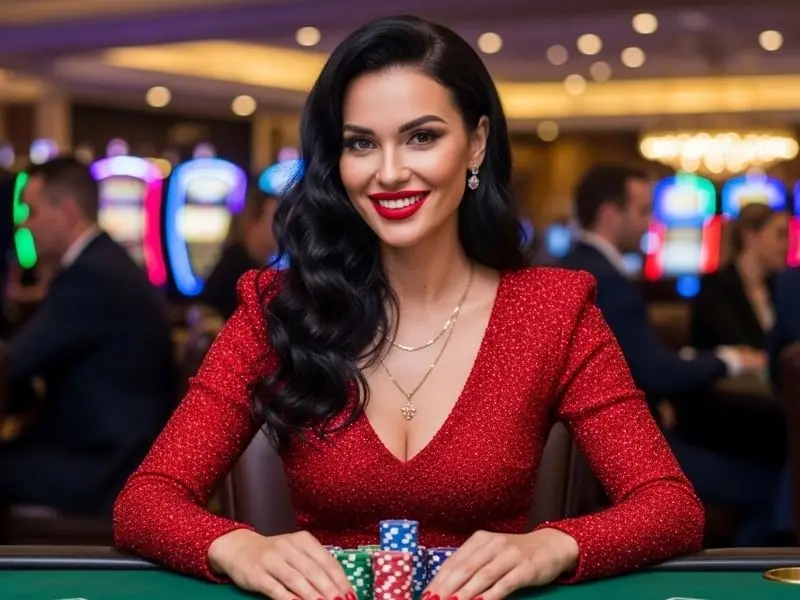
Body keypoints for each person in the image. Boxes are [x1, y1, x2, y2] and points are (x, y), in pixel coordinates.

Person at [113, 15, 704, 600]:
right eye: (361, 143)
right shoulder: (278, 310)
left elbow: (671, 506)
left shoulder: (552, 310)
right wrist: (241, 547)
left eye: (422, 136)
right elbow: (144, 502)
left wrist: (549, 545)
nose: (389, 172)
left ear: (475, 142)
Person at [0, 156, 177, 516]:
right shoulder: (101, 262)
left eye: (31, 212)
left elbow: (13, 361)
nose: (24, 225)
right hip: (111, 452)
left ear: (65, 213)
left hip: (106, 469)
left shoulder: (91, 276)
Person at [691, 203, 789, 351]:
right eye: (780, 235)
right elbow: (735, 345)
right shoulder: (715, 286)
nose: (787, 245)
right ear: (750, 236)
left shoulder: (779, 286)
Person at [200, 186, 278, 320]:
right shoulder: (237, 267)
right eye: (275, 220)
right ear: (253, 222)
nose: (283, 229)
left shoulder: (254, 264)